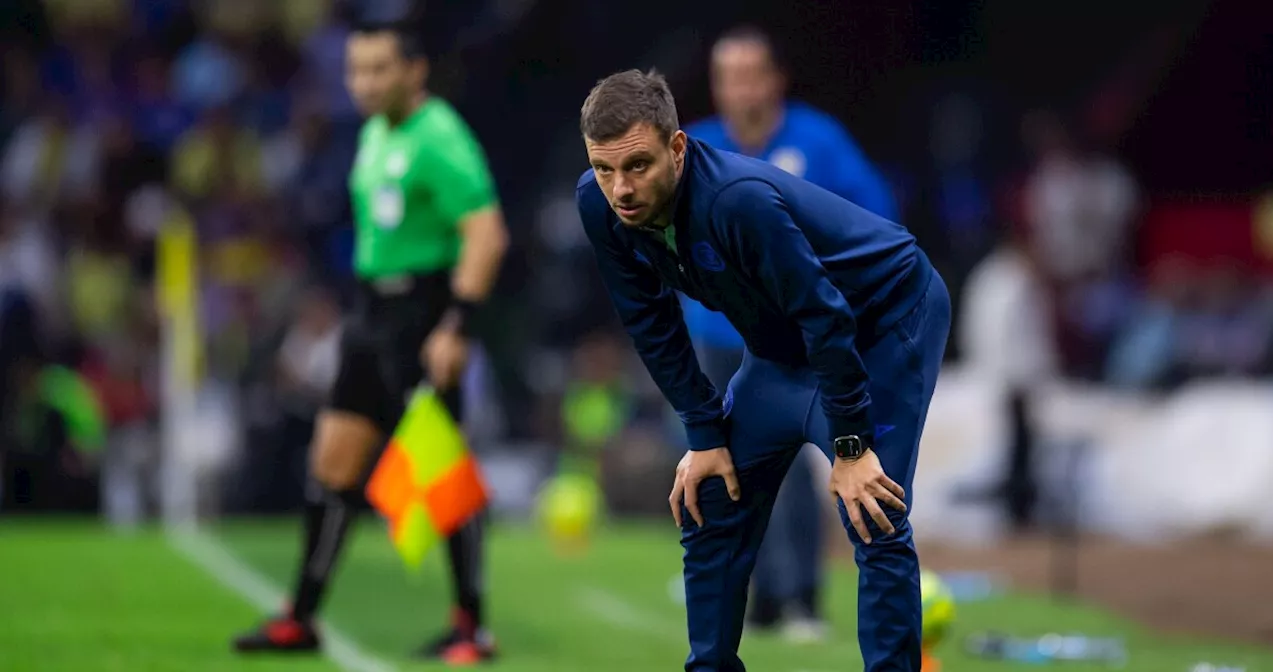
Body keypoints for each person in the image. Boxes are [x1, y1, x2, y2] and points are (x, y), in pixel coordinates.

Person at [576, 69, 950, 671]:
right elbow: (650, 321)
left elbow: (826, 316)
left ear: (677, 147)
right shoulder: (599, 204)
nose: (620, 188)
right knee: (708, 497)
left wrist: (852, 446)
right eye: (604, 168)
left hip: (886, 321)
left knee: (873, 511)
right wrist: (703, 434)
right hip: (782, 346)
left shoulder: (736, 200)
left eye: (638, 165)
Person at [233, 22, 510, 664]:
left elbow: (486, 233)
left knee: (438, 470)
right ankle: (299, 617)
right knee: (332, 462)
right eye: (356, 70)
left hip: (422, 315)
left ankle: (472, 626)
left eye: (379, 70)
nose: (363, 83)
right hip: (371, 315)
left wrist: (456, 325)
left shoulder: (439, 136)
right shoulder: (376, 132)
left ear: (415, 71)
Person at [683, 25, 900, 639]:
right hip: (720, 335)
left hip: (799, 337)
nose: (740, 88)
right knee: (726, 464)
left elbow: (874, 220)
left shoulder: (820, 142)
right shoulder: (694, 147)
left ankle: (802, 597)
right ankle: (749, 597)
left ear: (776, 79)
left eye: (752, 74)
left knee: (810, 461)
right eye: (729, 76)